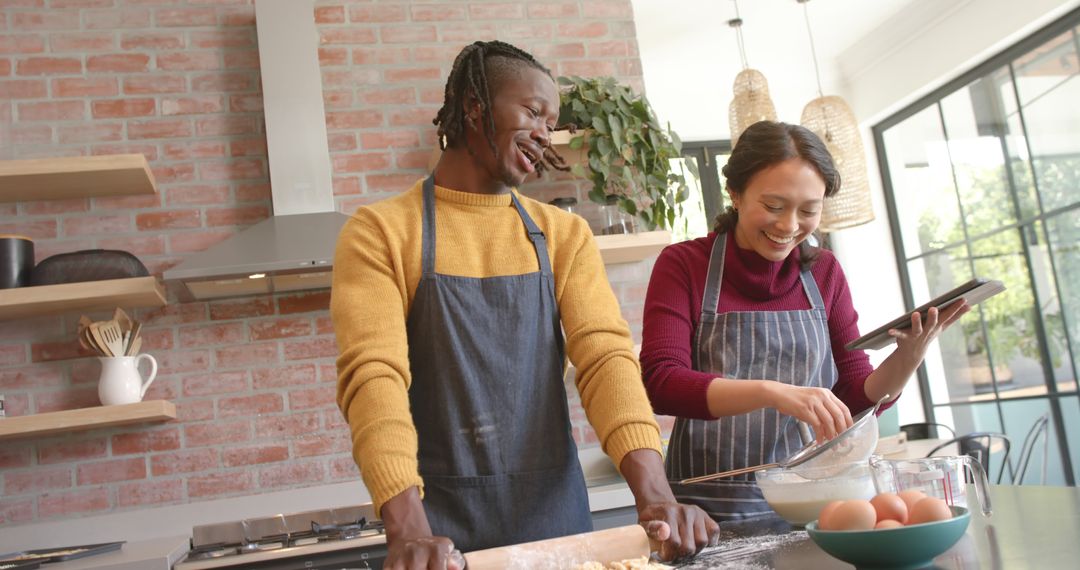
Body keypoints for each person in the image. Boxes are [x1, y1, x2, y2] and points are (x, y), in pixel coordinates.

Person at [331, 40, 718, 568]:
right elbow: (374, 378)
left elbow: (605, 360)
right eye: (533, 112)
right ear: (474, 105)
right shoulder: (381, 232)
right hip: (437, 535)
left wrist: (656, 495)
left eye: (551, 121)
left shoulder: (563, 235)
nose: (545, 132)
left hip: (557, 527)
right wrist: (408, 530)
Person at [640, 121, 970, 522]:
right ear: (735, 194)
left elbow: (850, 398)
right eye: (774, 206)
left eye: (809, 210)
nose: (789, 225)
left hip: (815, 499)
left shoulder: (824, 272)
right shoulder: (684, 265)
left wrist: (908, 358)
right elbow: (663, 383)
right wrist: (773, 392)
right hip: (706, 509)